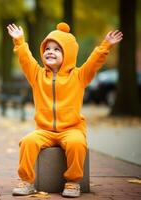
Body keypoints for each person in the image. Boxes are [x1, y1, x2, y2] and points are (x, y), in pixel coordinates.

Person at [7, 22, 122, 198]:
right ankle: (27, 181)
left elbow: (93, 62)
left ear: (68, 54)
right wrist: (19, 41)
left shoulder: (78, 76)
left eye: (57, 49)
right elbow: (25, 59)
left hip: (71, 129)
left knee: (77, 144)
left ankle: (73, 182)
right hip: (44, 130)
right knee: (27, 142)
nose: (50, 52)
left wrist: (105, 45)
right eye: (47, 48)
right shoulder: (37, 75)